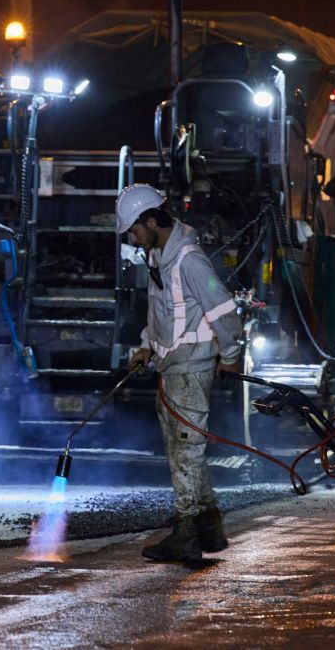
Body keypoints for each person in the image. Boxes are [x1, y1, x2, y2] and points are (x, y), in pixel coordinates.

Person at [118, 183, 243, 561]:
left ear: (153, 220)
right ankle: (208, 525)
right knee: (182, 447)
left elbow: (222, 307)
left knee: (186, 448)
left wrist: (231, 355)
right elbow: (160, 313)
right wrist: (145, 345)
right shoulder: (160, 258)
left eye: (136, 231)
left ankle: (187, 534)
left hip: (191, 367)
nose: (134, 239)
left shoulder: (189, 260)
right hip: (172, 366)